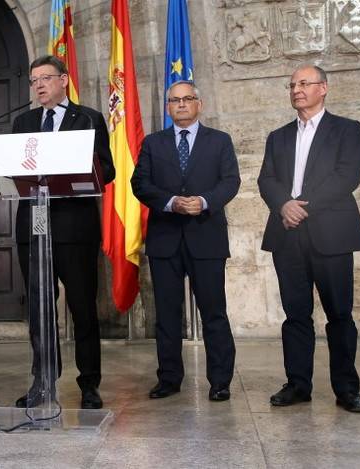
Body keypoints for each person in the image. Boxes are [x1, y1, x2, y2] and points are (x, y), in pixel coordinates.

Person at [257, 64, 360, 413]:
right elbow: (267, 179)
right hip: (287, 235)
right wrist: (283, 205)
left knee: (339, 314)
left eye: (304, 84)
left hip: (331, 234)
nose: (296, 90)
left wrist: (302, 207)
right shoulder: (278, 136)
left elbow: (347, 176)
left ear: (324, 88)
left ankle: (347, 389)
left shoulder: (347, 130)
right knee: (295, 315)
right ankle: (298, 385)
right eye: (292, 85)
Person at [12, 55, 115, 410]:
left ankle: (89, 384)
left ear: (64, 80)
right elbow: (14, 168)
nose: (38, 85)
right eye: (33, 80)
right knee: (40, 310)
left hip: (75, 227)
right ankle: (43, 380)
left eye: (45, 78)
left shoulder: (87, 118)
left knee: (82, 307)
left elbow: (108, 169)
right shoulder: (23, 121)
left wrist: (75, 170)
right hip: (33, 226)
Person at [131, 80, 239, 401]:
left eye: (187, 99)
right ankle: (169, 378)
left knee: (214, 312)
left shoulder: (219, 141)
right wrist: (171, 202)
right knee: (166, 314)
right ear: (168, 107)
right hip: (165, 238)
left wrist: (203, 201)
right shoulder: (153, 143)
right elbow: (140, 183)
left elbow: (230, 181)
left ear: (198, 104)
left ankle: (220, 381)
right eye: (174, 100)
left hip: (206, 237)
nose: (180, 104)